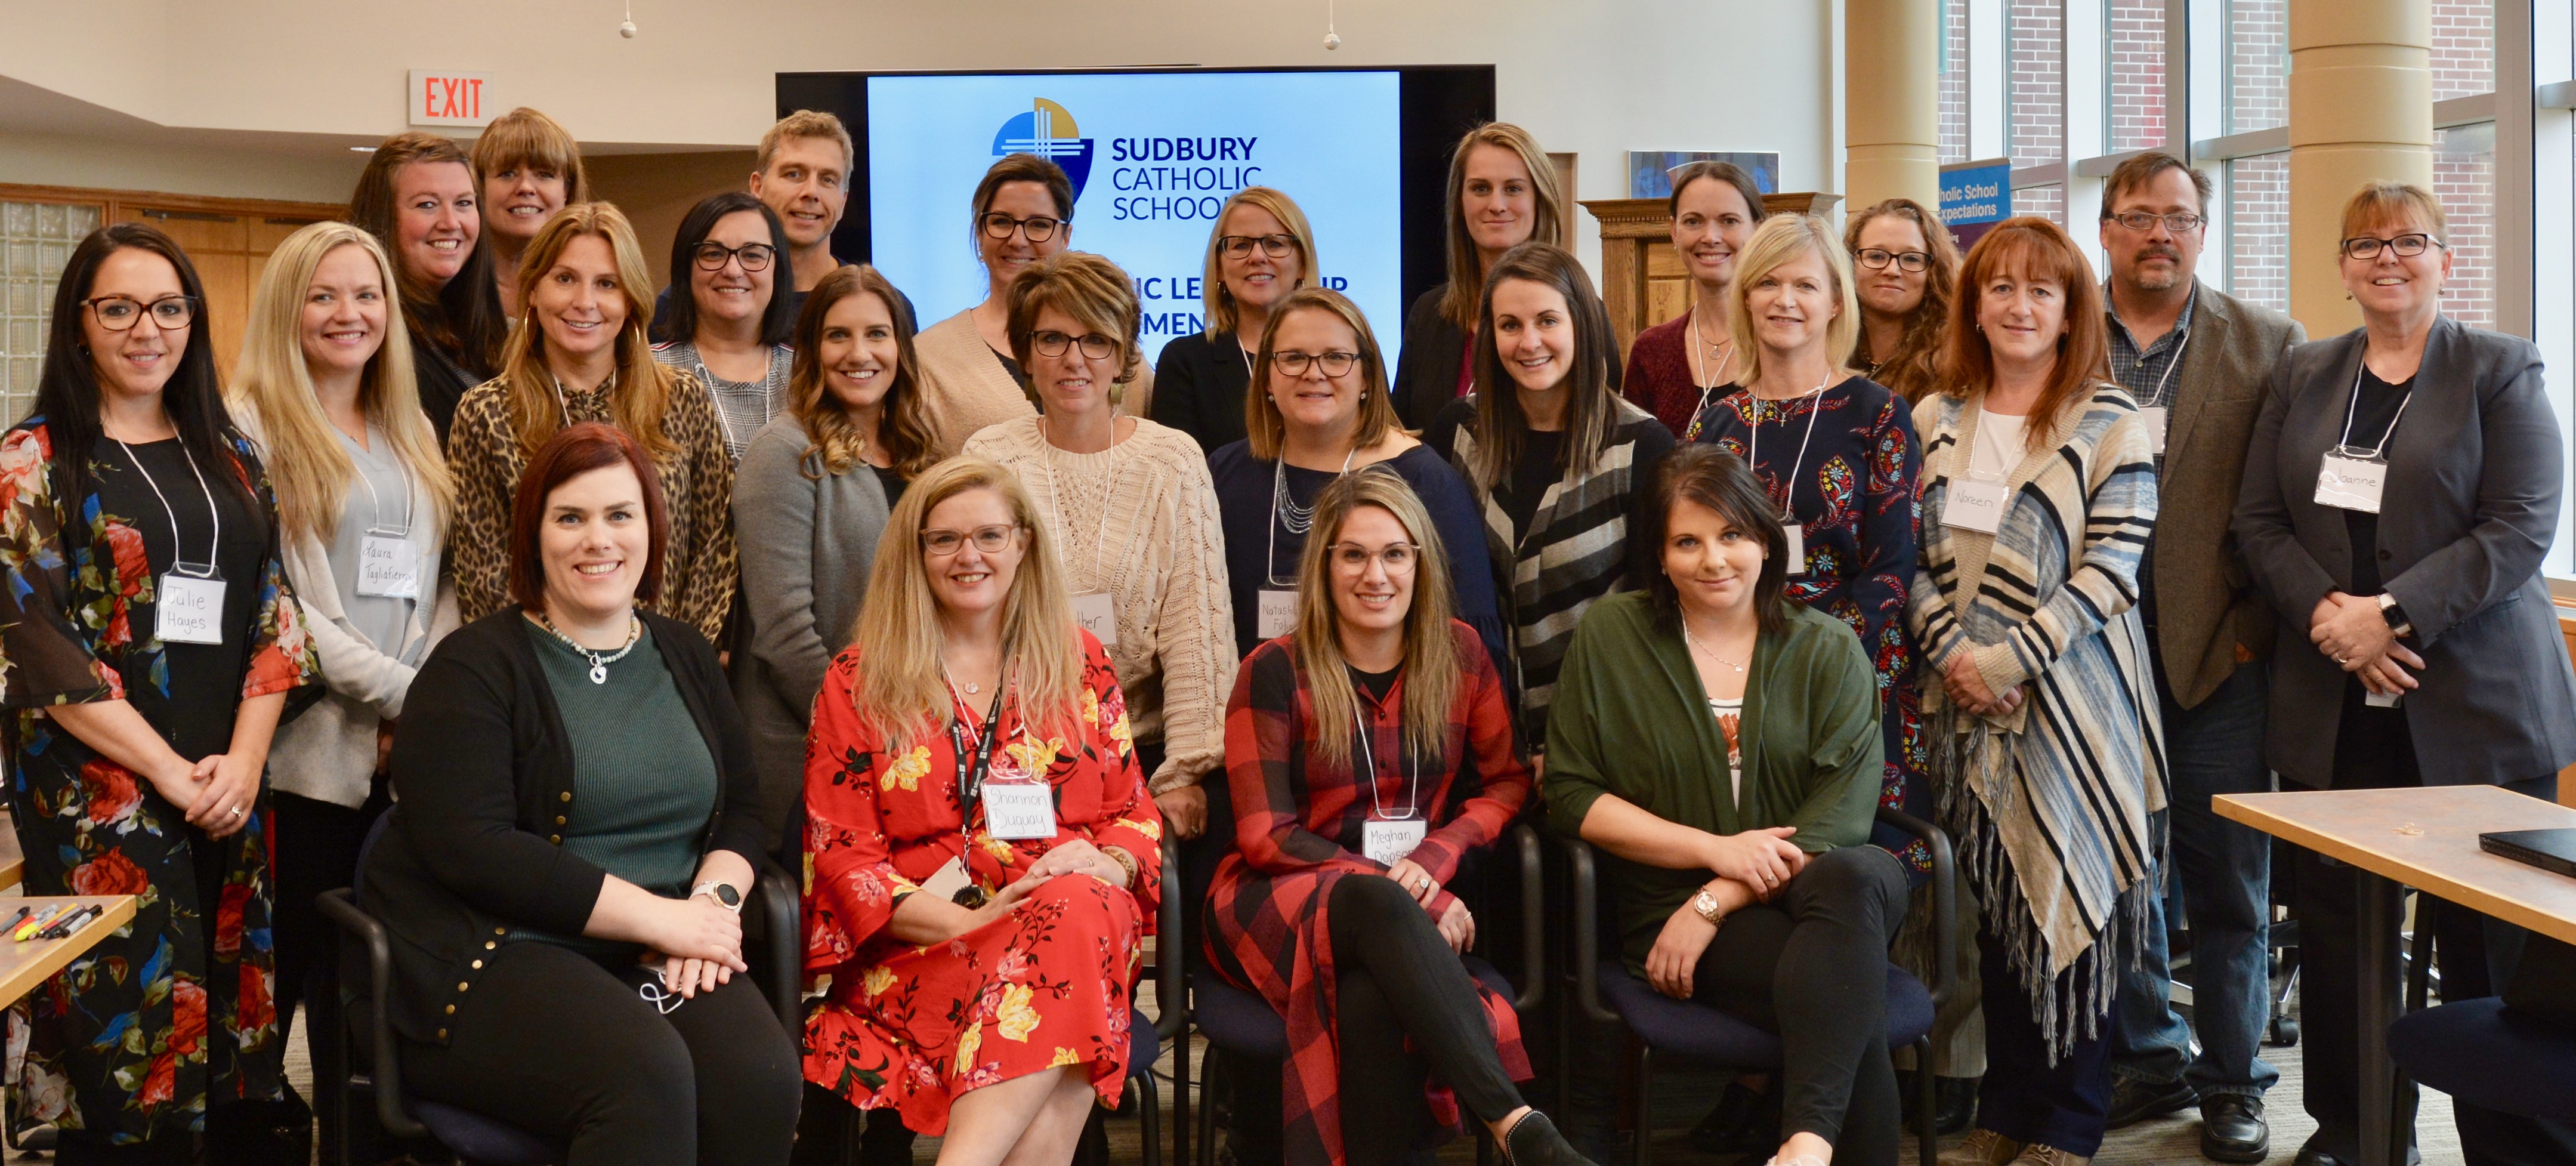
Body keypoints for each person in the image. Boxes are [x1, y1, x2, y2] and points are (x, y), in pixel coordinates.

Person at [2234, 181, 2576, 1166]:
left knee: (2490, 943)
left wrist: (2385, 613)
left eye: (2408, 241)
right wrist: (2328, 617)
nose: (2387, 258)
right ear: (2342, 267)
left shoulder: (2498, 368)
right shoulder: (2302, 373)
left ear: (2444, 259)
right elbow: (2258, 520)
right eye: (2365, 244)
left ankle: (2517, 1143)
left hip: (2470, 705)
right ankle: (2351, 1130)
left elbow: (2516, 528)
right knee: (2338, 926)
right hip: (2334, 700)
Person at [359, 421, 799, 1164]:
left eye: (619, 515)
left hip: (663, 941)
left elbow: (743, 814)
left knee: (759, 1079)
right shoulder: (471, 667)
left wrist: (710, 910)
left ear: (651, 531)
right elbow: (476, 850)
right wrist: (662, 919)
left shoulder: (685, 652)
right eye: (570, 518)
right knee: (644, 1077)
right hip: (496, 950)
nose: (598, 540)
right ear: (533, 537)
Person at [0, 222, 316, 1162]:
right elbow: (36, 643)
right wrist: (174, 775)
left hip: (226, 784)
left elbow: (277, 613)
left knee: (226, 1056)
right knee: (127, 1061)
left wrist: (244, 762)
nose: (150, 327)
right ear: (80, 324)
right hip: (106, 796)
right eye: (121, 307)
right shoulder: (34, 460)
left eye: (170, 306)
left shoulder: (230, 452)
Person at [1210, 470, 1595, 1166]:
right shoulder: (1272, 668)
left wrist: (1438, 859)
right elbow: (1265, 835)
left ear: (1420, 562)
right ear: (1324, 565)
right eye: (1352, 554)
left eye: (1394, 553)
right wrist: (1418, 895)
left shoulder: (1461, 655)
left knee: (1369, 1000)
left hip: (1405, 905)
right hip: (1282, 895)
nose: (1375, 574)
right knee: (1367, 895)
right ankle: (1515, 1122)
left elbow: (1507, 784)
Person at [1548, 444, 1910, 1166]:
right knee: (1846, 1006)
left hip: (1807, 897)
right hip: (1675, 907)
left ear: (1766, 542)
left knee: (1859, 871)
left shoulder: (1828, 647)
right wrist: (1712, 855)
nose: (1713, 560)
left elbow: (1840, 818)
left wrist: (1716, 896)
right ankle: (1806, 1148)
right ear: (1657, 553)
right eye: (1688, 541)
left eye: (1733, 535)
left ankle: (1803, 1144)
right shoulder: (1612, 638)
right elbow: (1569, 793)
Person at [800, 457, 1165, 1165]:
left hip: (1072, 927)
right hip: (927, 949)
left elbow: (1135, 815)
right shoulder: (859, 679)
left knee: (1078, 906)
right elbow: (845, 859)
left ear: (1023, 544)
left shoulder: (1079, 661)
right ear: (916, 554)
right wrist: (985, 920)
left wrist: (1106, 860)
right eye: (944, 540)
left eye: (990, 535)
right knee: (1073, 979)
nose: (970, 556)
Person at [1910, 217, 2163, 1166]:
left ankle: (2068, 1121)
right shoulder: (1935, 417)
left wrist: (2007, 662)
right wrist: (1952, 657)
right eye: (2000, 287)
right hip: (1959, 709)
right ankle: (2007, 1110)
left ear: (2069, 312)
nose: (2018, 306)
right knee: (1993, 912)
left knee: (2069, 901)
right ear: (1973, 303)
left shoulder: (2108, 421)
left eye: (2040, 291)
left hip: (2070, 708)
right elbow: (1910, 562)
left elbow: (2112, 570)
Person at [2085, 152, 2303, 1161]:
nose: (2157, 234)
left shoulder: (2265, 344)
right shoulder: (2057, 328)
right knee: (2117, 876)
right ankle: (2147, 1051)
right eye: (2137, 216)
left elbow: (2290, 507)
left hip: (2219, 659)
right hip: (2086, 660)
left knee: (2227, 885)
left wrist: (2256, 627)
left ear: (2202, 230)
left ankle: (2231, 1079)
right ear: (2105, 229)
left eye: (2178, 216)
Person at [227, 221, 456, 1117]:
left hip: (401, 757)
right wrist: (415, 696)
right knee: (284, 975)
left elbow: (442, 580)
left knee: (363, 994)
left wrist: (425, 697)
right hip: (306, 757)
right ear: (288, 307)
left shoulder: (407, 425)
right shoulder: (252, 426)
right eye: (323, 294)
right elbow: (294, 608)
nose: (347, 313)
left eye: (366, 294)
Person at [962, 250, 1235, 829]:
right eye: (1053, 339)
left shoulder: (1171, 460)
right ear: (1025, 353)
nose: (1073, 359)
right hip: (1013, 747)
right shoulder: (988, 457)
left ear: (1123, 357)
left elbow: (1196, 629)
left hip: (1141, 752)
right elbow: (964, 626)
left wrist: (1186, 774)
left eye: (1096, 340)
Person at [446, 202, 737, 643]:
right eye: (565, 279)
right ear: (534, 291)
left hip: (663, 666)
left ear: (631, 299)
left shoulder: (682, 399)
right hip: (539, 674)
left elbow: (714, 549)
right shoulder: (485, 412)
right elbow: (483, 573)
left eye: (607, 284)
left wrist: (671, 655)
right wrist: (560, 665)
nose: (585, 302)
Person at [1207, 286, 1508, 711]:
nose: (1314, 373)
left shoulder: (1424, 480)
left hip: (1393, 737)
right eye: (1293, 358)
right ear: (1267, 378)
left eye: (1336, 357)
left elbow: (1469, 641)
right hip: (1255, 725)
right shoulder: (1224, 473)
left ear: (1367, 377)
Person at [1425, 242, 1675, 741]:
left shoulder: (1641, 444)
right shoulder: (1457, 432)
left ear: (1581, 324)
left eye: (1547, 321)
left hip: (1601, 729)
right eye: (1510, 325)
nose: (1529, 342)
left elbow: (1654, 611)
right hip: (1470, 725)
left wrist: (1573, 745)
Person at [732, 264, 939, 842]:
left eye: (876, 333)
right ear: (811, 350)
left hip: (912, 747)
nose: (859, 352)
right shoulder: (785, 453)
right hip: (820, 753)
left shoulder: (920, 453)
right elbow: (785, 636)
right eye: (837, 335)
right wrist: (871, 736)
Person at [1392, 124, 1567, 432]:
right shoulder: (1428, 313)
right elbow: (1402, 434)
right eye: (1480, 189)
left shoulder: (1579, 309)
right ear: (1460, 202)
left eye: (1513, 188)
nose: (1496, 205)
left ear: (1540, 200)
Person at [348, 132, 508, 443]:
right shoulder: (367, 342)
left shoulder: (480, 329)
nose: (451, 222)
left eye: (464, 203)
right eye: (427, 205)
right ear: (384, 216)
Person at [651, 110, 864, 329]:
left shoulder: (877, 307)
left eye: (828, 179)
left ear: (843, 201)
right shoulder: (685, 304)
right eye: (794, 174)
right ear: (757, 187)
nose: (811, 192)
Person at [916, 154, 1072, 452]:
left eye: (1039, 225)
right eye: (1001, 222)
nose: (1017, 240)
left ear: (1065, 238)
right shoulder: (929, 357)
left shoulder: (1108, 347)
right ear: (979, 233)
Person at [1151, 187, 1320, 452]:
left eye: (1275, 243)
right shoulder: (1185, 362)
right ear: (1219, 266)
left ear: (1302, 263)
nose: (1257, 257)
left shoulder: (1346, 352)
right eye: (1241, 245)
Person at [1621, 161, 1768, 437]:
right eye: (1693, 221)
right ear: (1674, 231)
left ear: (1757, 229)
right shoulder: (1651, 351)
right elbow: (1635, 463)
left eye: (1729, 221)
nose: (1710, 237)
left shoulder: (1784, 339)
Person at [650, 192, 798, 459]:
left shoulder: (809, 376)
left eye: (753, 255)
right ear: (686, 268)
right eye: (713, 254)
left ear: (778, 269)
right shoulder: (647, 373)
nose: (732, 270)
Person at [467, 106, 588, 320]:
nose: (525, 187)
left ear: (566, 191)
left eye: (544, 175)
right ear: (479, 188)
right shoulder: (451, 285)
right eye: (507, 174)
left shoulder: (594, 288)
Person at [1843, 198, 1960, 404]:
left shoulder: (1954, 362)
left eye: (1911, 258)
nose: (1892, 270)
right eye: (1877, 256)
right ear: (1850, 262)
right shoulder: (1823, 349)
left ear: (1934, 271)